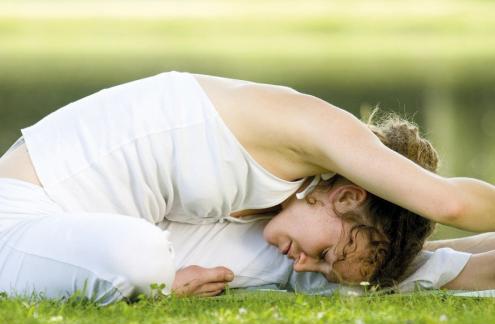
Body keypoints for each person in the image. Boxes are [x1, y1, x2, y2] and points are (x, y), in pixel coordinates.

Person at [0, 70, 494, 299]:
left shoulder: (303, 192)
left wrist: (333, 262)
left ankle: (482, 272)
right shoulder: (317, 130)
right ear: (346, 195)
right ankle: (146, 279)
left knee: (340, 278)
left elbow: (374, 242)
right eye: (322, 251)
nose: (305, 260)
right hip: (24, 217)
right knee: (143, 256)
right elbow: (447, 202)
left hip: (104, 226)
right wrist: (161, 289)